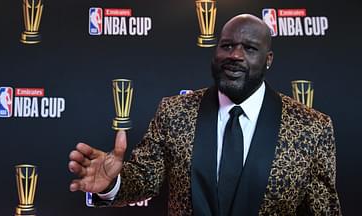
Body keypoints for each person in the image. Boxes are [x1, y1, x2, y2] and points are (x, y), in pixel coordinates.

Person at [68, 14, 341, 215]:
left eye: (249, 48)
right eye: (227, 45)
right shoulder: (175, 112)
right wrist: (112, 183)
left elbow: (323, 210)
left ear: (268, 59)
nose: (235, 55)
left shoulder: (311, 127)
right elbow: (145, 179)